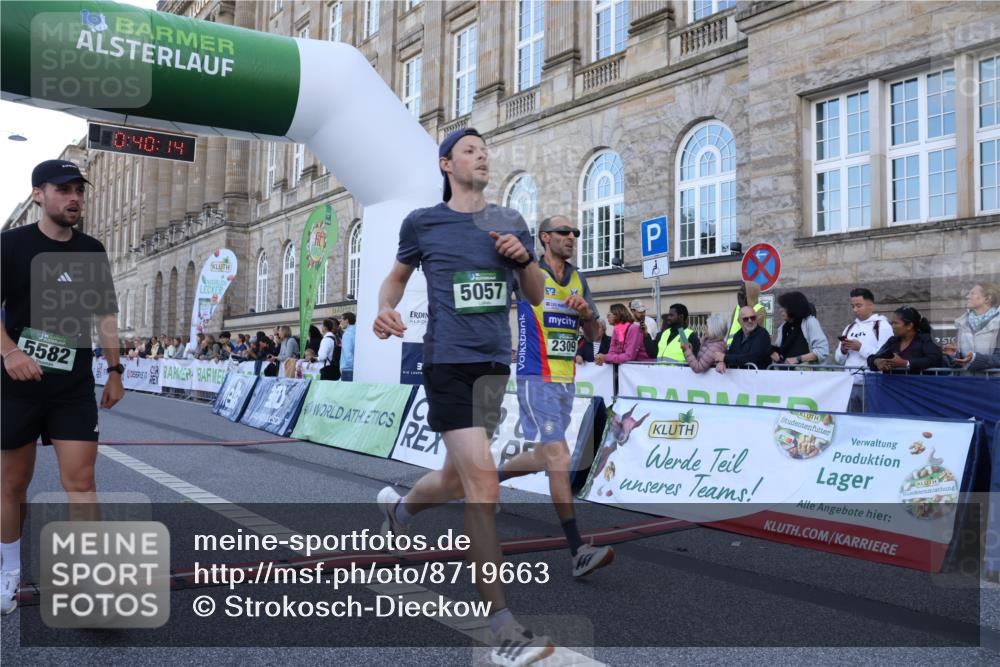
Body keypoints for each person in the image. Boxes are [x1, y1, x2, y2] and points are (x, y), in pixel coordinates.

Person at [371, 127, 552, 666]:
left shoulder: (509, 221)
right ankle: (503, 629)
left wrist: (524, 260)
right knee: (482, 484)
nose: (482, 157)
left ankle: (399, 510)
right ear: (446, 164)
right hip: (447, 362)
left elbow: (536, 296)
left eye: (485, 151)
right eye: (471, 151)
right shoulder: (423, 222)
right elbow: (396, 278)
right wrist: (385, 308)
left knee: (455, 478)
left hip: (493, 364)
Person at [1, 159, 125, 615]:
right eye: (63, 190)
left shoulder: (92, 249)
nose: (74, 198)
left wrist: (115, 370)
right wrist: (10, 352)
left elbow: (104, 314)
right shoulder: (10, 244)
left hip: (72, 386)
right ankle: (9, 569)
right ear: (39, 194)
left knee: (83, 481)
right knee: (13, 485)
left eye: (79, 190)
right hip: (16, 384)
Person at [499, 215, 614, 577]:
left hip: (565, 380)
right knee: (559, 457)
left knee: (544, 456)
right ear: (545, 237)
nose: (572, 237)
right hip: (536, 376)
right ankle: (577, 549)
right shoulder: (529, 271)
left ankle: (485, 481)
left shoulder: (578, 278)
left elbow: (593, 335)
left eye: (575, 233)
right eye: (564, 232)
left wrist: (587, 314)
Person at [834, 288, 892, 411]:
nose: (855, 310)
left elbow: (885, 356)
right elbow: (838, 359)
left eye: (859, 306)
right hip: (850, 382)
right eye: (853, 306)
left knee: (871, 418)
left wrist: (860, 348)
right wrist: (843, 350)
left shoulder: (882, 326)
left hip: (872, 383)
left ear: (870, 305)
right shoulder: (849, 327)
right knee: (851, 418)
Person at [867, 306, 943, 374]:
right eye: (892, 323)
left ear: (909, 326)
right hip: (892, 384)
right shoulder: (893, 341)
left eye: (896, 323)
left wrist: (906, 363)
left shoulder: (926, 339)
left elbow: (934, 360)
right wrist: (877, 362)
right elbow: (872, 358)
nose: (892, 326)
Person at [945, 283, 1000, 367]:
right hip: (966, 375)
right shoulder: (962, 322)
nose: (967, 297)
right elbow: (961, 358)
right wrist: (954, 354)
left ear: (987, 298)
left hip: (992, 376)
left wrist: (975, 359)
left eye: (972, 293)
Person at [771, 291, 829, 366]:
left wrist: (798, 359)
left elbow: (822, 351)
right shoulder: (783, 328)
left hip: (807, 372)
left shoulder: (810, 322)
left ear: (793, 307)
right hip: (786, 371)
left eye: (784, 307)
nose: (780, 310)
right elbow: (783, 355)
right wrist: (775, 355)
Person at [715, 305, 771, 372]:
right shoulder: (738, 335)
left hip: (760, 376)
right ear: (739, 321)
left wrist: (725, 358)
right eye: (745, 319)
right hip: (741, 376)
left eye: (753, 318)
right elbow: (731, 353)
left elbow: (752, 357)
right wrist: (722, 362)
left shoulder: (762, 334)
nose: (750, 321)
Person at [726, 280, 765, 346]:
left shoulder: (759, 309)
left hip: (748, 346)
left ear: (750, 294)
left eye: (742, 291)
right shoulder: (737, 308)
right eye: (739, 291)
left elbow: (750, 329)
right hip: (732, 346)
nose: (739, 293)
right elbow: (731, 328)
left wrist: (743, 308)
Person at [339, 312, 356, 381]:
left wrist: (351, 366)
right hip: (356, 369)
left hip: (348, 369)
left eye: (341, 320)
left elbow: (347, 353)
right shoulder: (357, 332)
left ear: (347, 320)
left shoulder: (347, 334)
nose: (340, 322)